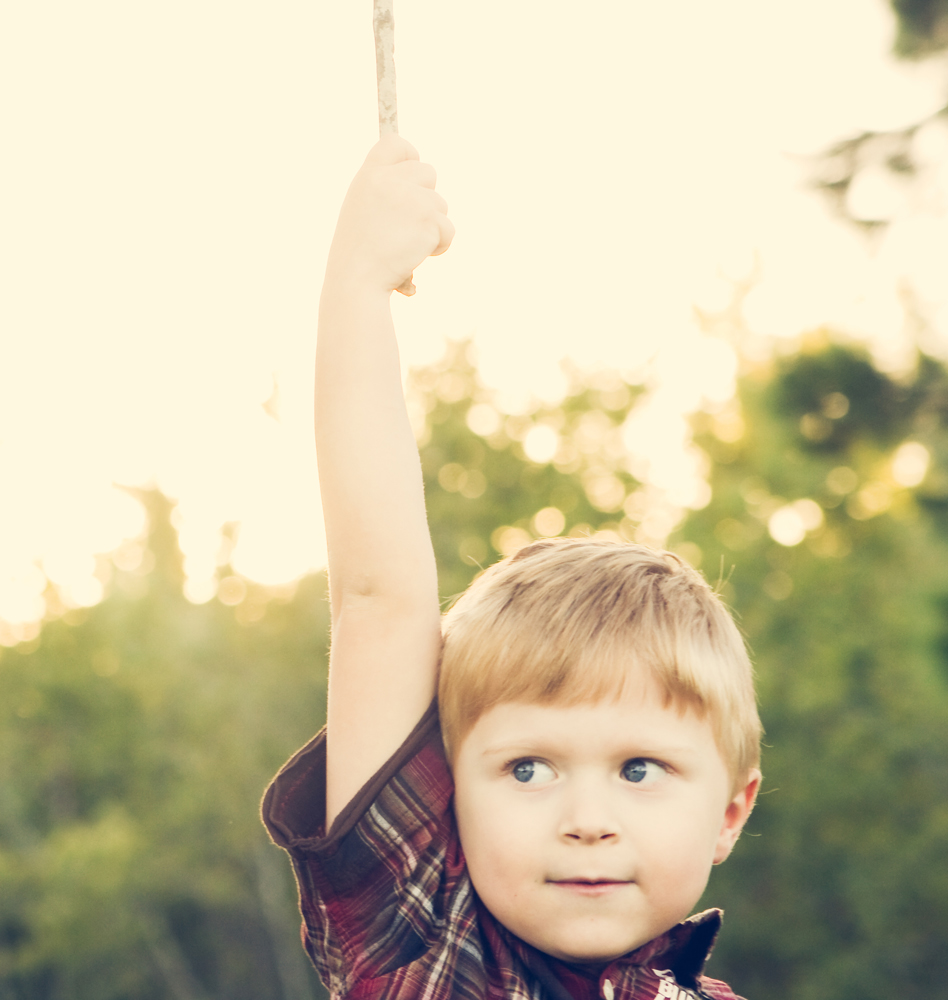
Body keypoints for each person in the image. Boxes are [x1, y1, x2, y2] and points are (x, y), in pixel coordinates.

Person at [261, 135, 763, 1000]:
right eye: (527, 769)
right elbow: (381, 601)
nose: (587, 823)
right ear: (448, 797)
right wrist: (355, 287)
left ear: (729, 812)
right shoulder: (423, 939)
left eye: (641, 769)